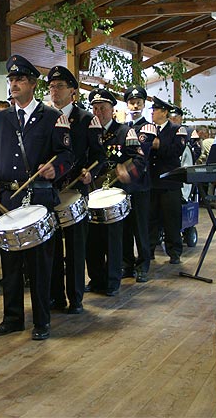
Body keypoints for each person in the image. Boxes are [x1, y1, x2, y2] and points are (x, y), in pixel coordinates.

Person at [0, 55, 73, 340]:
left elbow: (68, 154)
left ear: (33, 84)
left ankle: (42, 321)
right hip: (8, 197)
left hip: (39, 196)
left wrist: (54, 168)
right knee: (9, 263)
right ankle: (12, 318)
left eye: (20, 79)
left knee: (40, 264)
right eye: (11, 80)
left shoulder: (52, 117)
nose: (14, 84)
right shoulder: (2, 118)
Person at [47, 66, 104, 314]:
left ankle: (76, 298)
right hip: (50, 191)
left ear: (73, 91)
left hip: (76, 189)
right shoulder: (45, 117)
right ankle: (56, 297)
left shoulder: (86, 119)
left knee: (75, 247)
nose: (54, 91)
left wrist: (92, 172)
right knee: (52, 248)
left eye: (60, 86)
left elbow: (100, 155)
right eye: (51, 87)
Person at [86, 89, 147, 296]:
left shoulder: (124, 132)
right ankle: (96, 279)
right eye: (95, 108)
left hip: (115, 194)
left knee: (113, 239)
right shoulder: (90, 131)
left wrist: (127, 171)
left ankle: (112, 281)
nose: (98, 112)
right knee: (92, 240)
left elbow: (139, 159)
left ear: (112, 110)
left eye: (102, 108)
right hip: (92, 194)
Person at [122, 86, 156, 282]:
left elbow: (140, 152)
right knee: (125, 227)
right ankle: (127, 264)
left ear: (144, 105)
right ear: (127, 105)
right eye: (132, 103)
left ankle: (143, 264)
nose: (135, 106)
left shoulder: (147, 128)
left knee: (140, 226)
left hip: (141, 185)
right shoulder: (124, 127)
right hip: (125, 186)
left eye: (138, 103)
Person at [148, 97, 187, 265]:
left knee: (171, 218)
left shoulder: (177, 129)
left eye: (155, 110)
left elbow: (176, 150)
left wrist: (159, 145)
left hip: (170, 182)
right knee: (151, 219)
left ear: (164, 112)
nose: (152, 113)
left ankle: (174, 251)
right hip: (151, 181)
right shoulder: (148, 130)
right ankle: (148, 250)